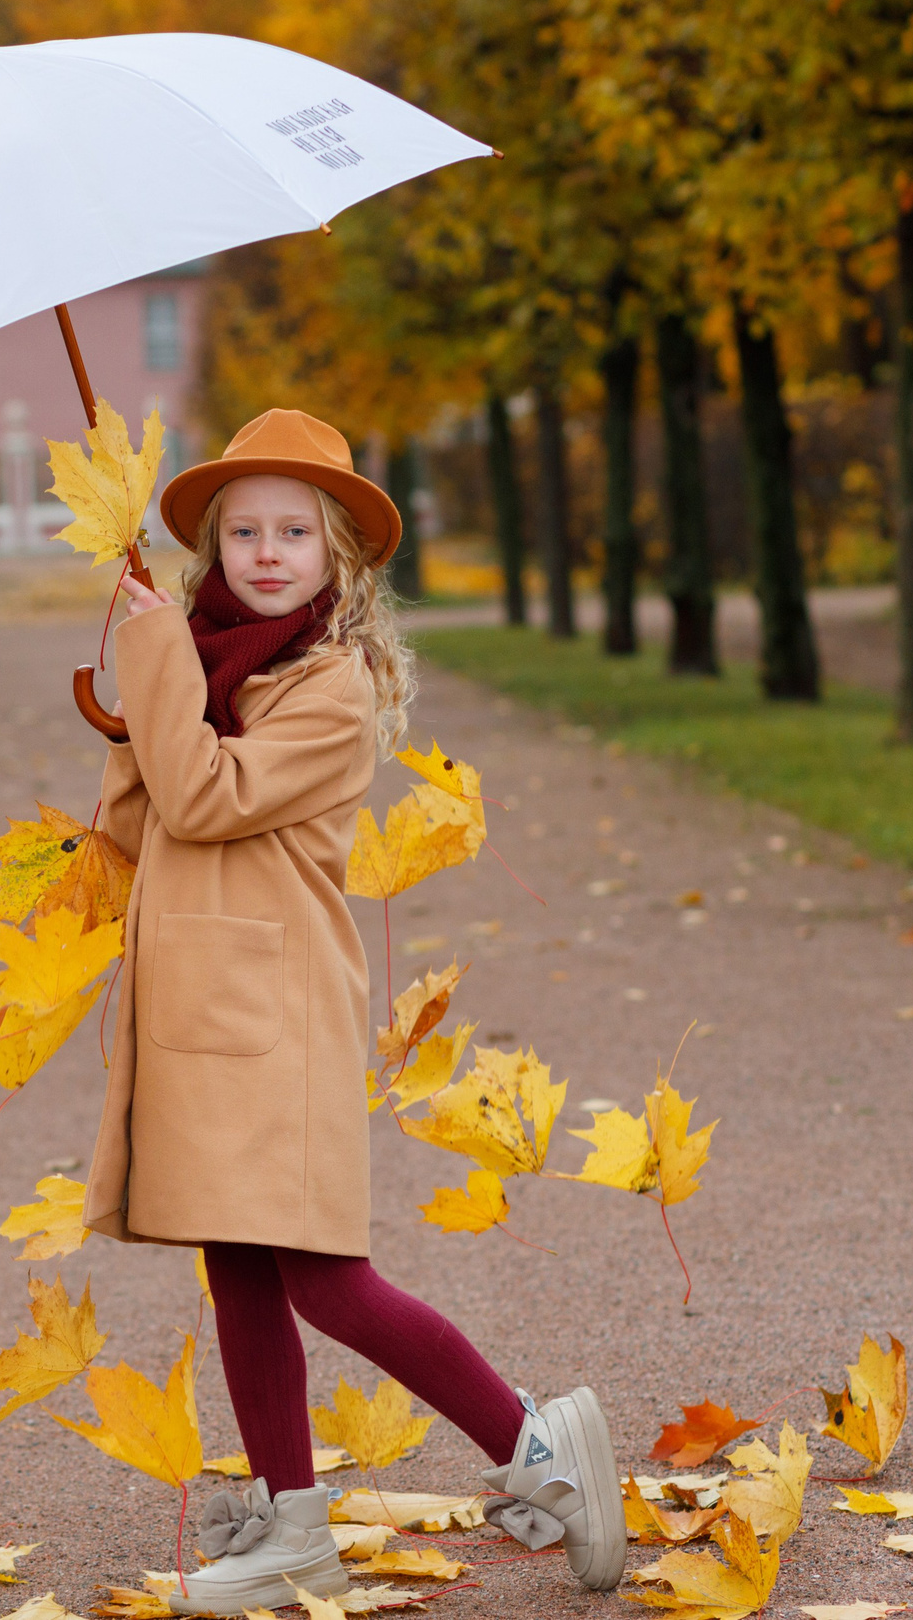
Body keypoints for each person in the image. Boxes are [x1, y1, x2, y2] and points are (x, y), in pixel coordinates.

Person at [87, 409, 625, 1617]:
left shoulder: (329, 688)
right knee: (235, 1264)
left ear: (341, 556)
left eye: (294, 531)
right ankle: (289, 1528)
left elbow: (207, 794)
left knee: (325, 1274)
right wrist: (136, 694)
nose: (266, 551)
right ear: (211, 546)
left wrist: (159, 662)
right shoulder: (212, 661)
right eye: (242, 530)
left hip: (275, 1006)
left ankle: (536, 1445)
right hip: (199, 1000)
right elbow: (137, 823)